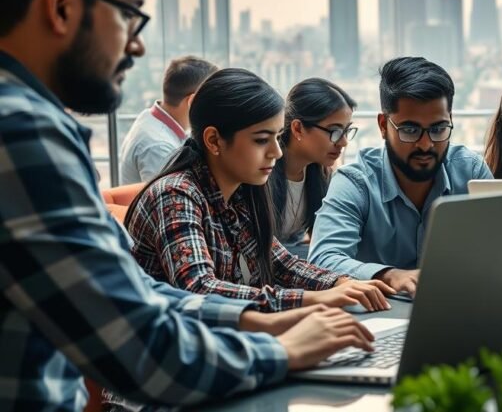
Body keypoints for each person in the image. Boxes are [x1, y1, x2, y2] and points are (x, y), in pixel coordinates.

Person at [0, 0, 371, 410]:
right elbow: (142, 351)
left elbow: (133, 292)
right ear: (61, 6)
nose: (137, 43)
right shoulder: (20, 133)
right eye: (128, 13)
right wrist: (281, 350)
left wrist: (256, 319)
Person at [125, 69, 392, 313]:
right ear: (214, 140)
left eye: (277, 137)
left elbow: (279, 263)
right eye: (262, 140)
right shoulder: (175, 195)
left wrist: (340, 282)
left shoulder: (241, 193)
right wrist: (314, 298)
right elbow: (200, 290)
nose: (276, 152)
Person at [309, 57, 493, 296]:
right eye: (410, 130)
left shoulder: (471, 172)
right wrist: (389, 275)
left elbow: (501, 250)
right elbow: (322, 259)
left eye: (438, 129)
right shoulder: (355, 182)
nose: (426, 145)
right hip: (377, 322)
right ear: (384, 125)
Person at [270, 78, 359, 259]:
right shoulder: (262, 172)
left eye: (346, 130)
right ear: (298, 129)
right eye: (334, 131)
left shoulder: (321, 174)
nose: (344, 142)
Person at [119, 55, 218, 184]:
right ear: (192, 101)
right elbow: (166, 198)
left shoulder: (150, 116)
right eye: (212, 99)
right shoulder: (159, 148)